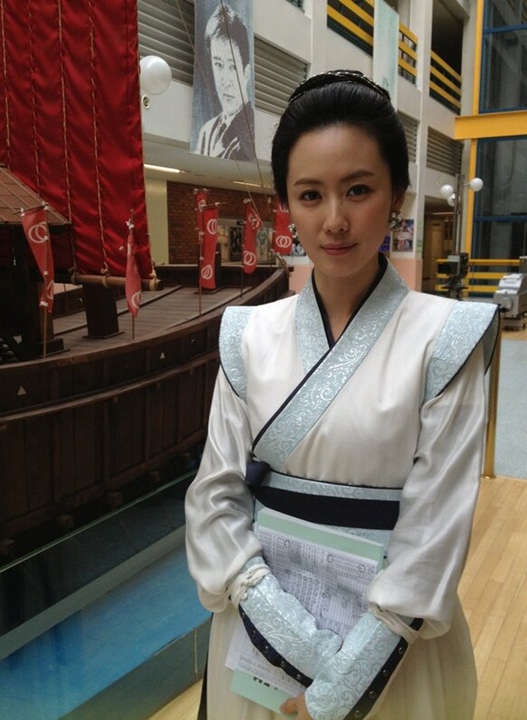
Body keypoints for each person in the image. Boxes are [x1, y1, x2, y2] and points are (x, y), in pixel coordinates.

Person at [185, 69, 499, 720]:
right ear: (287, 205)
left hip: (393, 649)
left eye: (358, 189)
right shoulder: (246, 335)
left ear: (396, 196)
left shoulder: (448, 337)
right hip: (260, 636)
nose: (334, 220)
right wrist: (295, 641)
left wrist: (340, 686)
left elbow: (434, 530)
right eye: (310, 195)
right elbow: (214, 500)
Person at [196, 3, 254, 161]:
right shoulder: (207, 131)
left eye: (232, 67)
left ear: (246, 73)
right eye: (218, 65)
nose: (225, 81)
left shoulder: (250, 133)